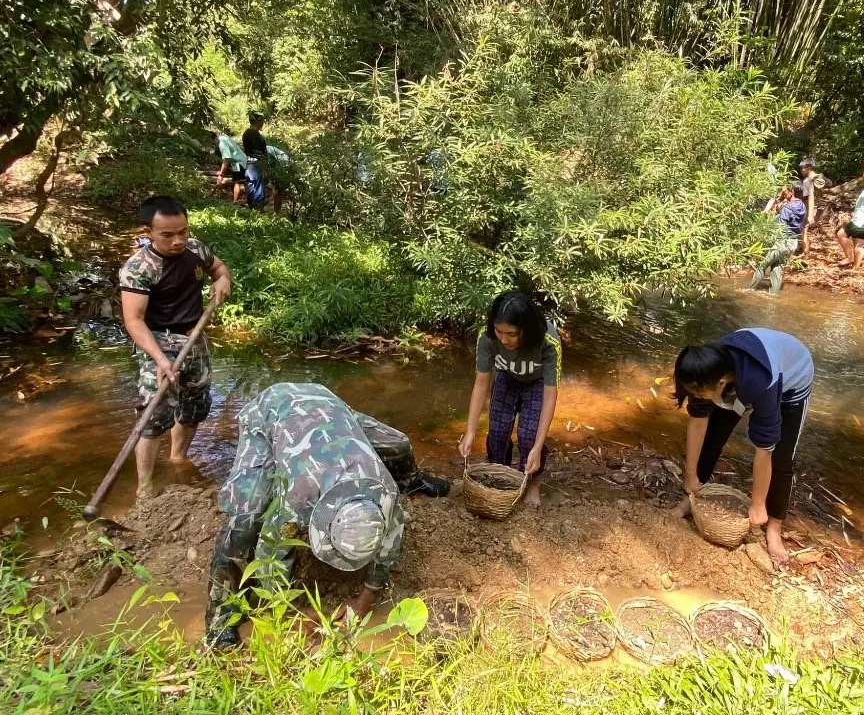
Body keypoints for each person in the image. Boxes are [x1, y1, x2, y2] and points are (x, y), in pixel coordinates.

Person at [204, 383, 450, 649]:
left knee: (398, 443)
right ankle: (221, 617)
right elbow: (271, 554)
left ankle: (413, 480)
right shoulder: (299, 497)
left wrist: (365, 598)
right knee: (245, 519)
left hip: (329, 409)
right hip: (273, 410)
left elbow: (391, 544)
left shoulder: (385, 492)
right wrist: (294, 611)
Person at [118, 196, 233, 496]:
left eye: (182, 232)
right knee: (153, 416)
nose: (178, 241)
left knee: (195, 405)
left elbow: (218, 268)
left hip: (194, 337)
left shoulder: (196, 249)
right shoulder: (139, 268)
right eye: (167, 235)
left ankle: (178, 456)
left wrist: (222, 279)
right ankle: (145, 487)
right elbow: (134, 321)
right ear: (148, 232)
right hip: (157, 340)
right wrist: (159, 359)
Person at [670, 329, 814, 566]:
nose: (695, 396)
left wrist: (757, 504)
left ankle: (774, 528)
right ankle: (692, 499)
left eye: (698, 392)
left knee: (781, 458)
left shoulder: (760, 382)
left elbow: (764, 448)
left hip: (791, 378)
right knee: (714, 436)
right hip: (745, 370)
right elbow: (698, 424)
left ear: (721, 383)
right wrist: (691, 474)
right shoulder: (704, 369)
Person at [458, 292, 561, 508]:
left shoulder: (548, 341)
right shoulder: (487, 338)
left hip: (537, 383)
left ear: (526, 330)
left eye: (512, 334)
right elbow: (481, 383)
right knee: (497, 432)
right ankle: (501, 475)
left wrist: (538, 445)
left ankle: (533, 482)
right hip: (506, 377)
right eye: (499, 331)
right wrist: (470, 431)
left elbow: (551, 395)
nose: (504, 340)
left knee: (529, 437)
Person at [748, 182, 807, 295]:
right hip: (793, 243)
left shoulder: (788, 207)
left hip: (782, 242)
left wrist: (771, 217)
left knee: (762, 266)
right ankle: (773, 296)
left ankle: (748, 291)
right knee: (777, 269)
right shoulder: (802, 206)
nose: (783, 194)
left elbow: (780, 225)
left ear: (792, 192)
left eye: (785, 192)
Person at [242, 111, 269, 209]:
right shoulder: (255, 135)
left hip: (249, 163)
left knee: (252, 188)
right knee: (258, 189)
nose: (263, 122)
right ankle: (258, 211)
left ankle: (252, 211)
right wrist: (264, 167)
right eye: (262, 120)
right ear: (258, 120)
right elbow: (259, 152)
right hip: (257, 164)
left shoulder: (246, 133)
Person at [213, 131, 248, 203]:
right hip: (242, 160)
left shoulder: (222, 143)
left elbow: (227, 159)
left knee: (237, 182)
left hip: (238, 162)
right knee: (245, 181)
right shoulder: (225, 138)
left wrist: (221, 174)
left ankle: (235, 201)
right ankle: (250, 200)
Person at [798, 157, 818, 255]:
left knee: (803, 232)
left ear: (809, 168)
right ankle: (804, 252)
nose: (802, 170)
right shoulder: (817, 178)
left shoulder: (807, 181)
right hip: (815, 208)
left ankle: (805, 255)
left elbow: (810, 197)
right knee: (803, 232)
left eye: (803, 168)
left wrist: (810, 215)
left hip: (808, 209)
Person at [266, 144, 291, 213]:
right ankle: (276, 210)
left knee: (278, 190)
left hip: (283, 167)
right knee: (277, 190)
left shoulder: (267, 150)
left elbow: (271, 165)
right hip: (280, 166)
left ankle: (277, 210)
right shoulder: (267, 149)